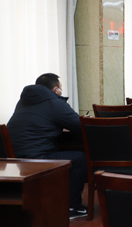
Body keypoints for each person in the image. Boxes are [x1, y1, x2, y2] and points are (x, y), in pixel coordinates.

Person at [7, 73, 88, 219]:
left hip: (13, 158)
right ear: (56, 89)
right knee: (80, 158)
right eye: (60, 89)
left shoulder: (23, 102)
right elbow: (80, 125)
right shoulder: (54, 103)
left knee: (61, 150)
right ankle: (72, 206)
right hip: (36, 159)